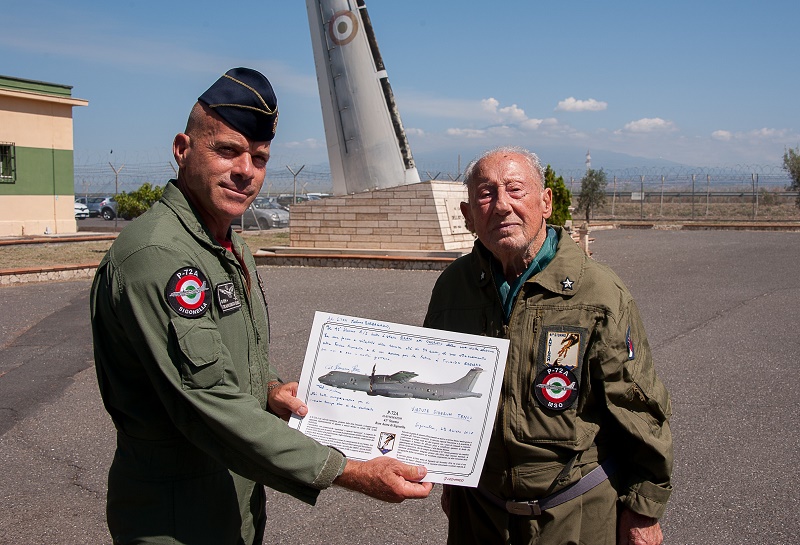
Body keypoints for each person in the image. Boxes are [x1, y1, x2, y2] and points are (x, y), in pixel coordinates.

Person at [90, 67, 432, 545]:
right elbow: (209, 402)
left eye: (259, 157)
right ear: (182, 149)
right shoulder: (159, 256)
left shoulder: (224, 244)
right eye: (227, 150)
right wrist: (347, 470)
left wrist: (269, 388)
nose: (245, 170)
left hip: (233, 502)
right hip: (176, 516)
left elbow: (224, 357)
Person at [423, 146, 672, 545]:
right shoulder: (453, 288)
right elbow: (437, 390)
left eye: (515, 189)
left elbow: (635, 404)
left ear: (545, 202)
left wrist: (644, 508)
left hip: (574, 513)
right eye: (486, 194)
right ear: (468, 215)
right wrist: (449, 476)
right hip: (480, 512)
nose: (501, 205)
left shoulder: (598, 291)